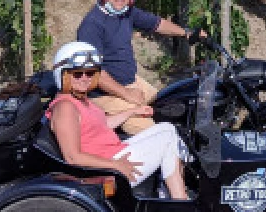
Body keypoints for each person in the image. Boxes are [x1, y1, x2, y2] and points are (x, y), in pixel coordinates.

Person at [47, 41, 189, 200]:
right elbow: (72, 157)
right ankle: (179, 199)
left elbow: (104, 124)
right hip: (107, 168)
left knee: (167, 128)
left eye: (90, 73)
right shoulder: (66, 107)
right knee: (167, 139)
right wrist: (115, 165)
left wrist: (133, 111)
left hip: (114, 153)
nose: (85, 78)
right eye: (78, 74)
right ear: (63, 75)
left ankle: (171, 192)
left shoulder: (79, 100)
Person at [76, 0, 204, 134]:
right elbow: (93, 72)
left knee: (171, 105)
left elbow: (157, 24)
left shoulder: (127, 13)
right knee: (153, 133)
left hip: (131, 82)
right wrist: (127, 94)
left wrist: (186, 33)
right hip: (105, 94)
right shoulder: (92, 25)